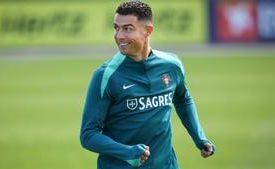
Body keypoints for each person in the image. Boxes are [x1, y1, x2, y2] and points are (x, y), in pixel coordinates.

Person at [80, 1, 215, 168]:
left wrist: (199, 137)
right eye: (116, 28)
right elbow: (88, 135)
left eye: (127, 29)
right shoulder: (105, 76)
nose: (119, 35)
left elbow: (182, 99)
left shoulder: (172, 65)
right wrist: (127, 151)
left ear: (148, 31)